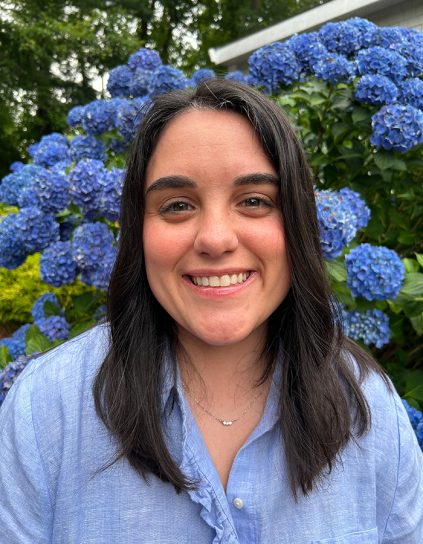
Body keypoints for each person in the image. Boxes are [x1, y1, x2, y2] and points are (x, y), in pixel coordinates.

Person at [0, 80, 422, 544]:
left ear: (298, 221)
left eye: (255, 201)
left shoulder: (370, 411)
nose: (216, 239)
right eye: (177, 205)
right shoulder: (46, 411)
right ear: (138, 229)